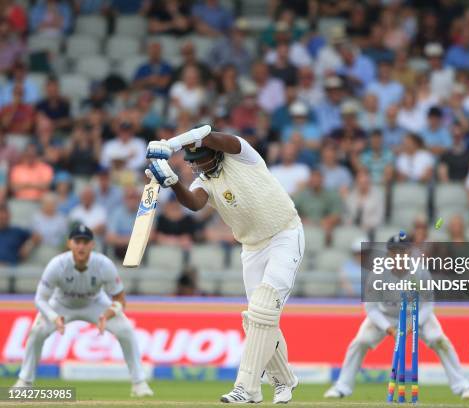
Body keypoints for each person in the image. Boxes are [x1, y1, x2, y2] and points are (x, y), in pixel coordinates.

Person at [145, 127, 304, 403]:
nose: (196, 166)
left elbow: (211, 135)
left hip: (284, 234)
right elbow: (194, 203)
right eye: (192, 162)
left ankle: (247, 388)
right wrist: (172, 183)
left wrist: (170, 144)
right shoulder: (205, 180)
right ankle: (285, 380)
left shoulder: (242, 154)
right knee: (256, 318)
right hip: (252, 247)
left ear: (214, 153)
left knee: (264, 308)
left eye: (200, 159)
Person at [324, 231, 469, 401]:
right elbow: (371, 308)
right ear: (389, 253)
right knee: (360, 342)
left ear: (409, 252)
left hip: (415, 314)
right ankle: (342, 387)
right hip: (385, 316)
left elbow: (427, 304)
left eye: (402, 251)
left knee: (439, 339)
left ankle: (463, 387)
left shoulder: (420, 272)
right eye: (395, 251)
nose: (399, 255)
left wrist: (413, 324)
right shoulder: (378, 273)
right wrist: (388, 329)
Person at [12, 224, 153, 397]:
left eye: (85, 242)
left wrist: (106, 314)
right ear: (69, 243)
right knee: (36, 331)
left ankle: (139, 383)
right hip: (61, 304)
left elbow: (120, 300)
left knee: (125, 329)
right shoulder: (57, 265)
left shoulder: (103, 265)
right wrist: (54, 317)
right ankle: (24, 382)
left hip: (95, 303)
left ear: (92, 245)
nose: (81, 246)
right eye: (77, 242)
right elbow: (40, 299)